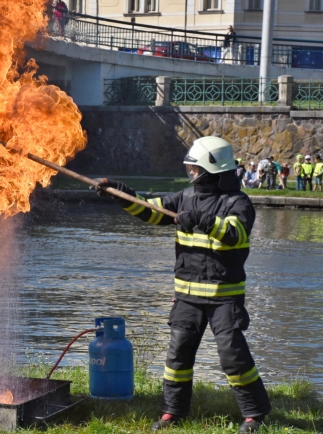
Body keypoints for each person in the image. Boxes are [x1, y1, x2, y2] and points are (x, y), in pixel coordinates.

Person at [93, 137, 271, 433]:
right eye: (189, 167)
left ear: (211, 168)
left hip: (223, 299)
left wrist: (203, 220)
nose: (190, 173)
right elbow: (150, 211)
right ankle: (172, 412)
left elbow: (234, 234)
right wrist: (119, 193)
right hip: (186, 298)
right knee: (178, 357)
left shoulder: (237, 202)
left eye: (194, 168)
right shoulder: (185, 197)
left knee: (233, 357)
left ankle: (254, 414)